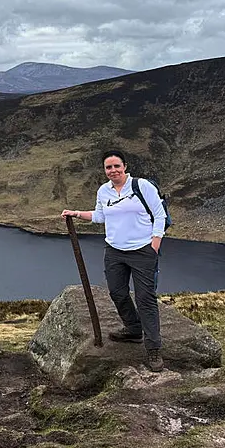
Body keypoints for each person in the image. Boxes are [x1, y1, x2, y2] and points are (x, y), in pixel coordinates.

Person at [61, 150, 167, 372]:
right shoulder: (103, 191)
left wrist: (154, 244)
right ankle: (133, 328)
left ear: (125, 166)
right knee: (117, 292)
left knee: (145, 298)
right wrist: (77, 213)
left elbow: (159, 214)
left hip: (142, 250)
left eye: (116, 166)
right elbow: (101, 216)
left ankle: (153, 348)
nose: (113, 171)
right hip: (115, 251)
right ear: (104, 170)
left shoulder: (142, 186)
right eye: (108, 167)